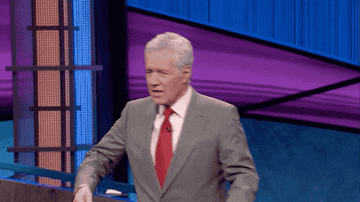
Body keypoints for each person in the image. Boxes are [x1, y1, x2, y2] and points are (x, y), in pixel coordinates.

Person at [73, 32, 259, 202]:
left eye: (162, 73)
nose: (153, 81)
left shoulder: (220, 115)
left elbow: (244, 176)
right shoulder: (134, 112)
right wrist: (84, 185)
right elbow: (99, 157)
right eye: (149, 71)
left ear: (185, 73)